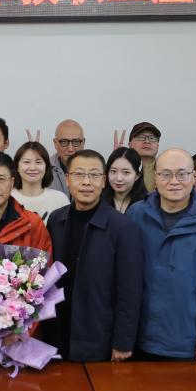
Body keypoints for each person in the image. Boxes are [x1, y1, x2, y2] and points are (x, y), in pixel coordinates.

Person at [125, 149, 196, 361]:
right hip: (138, 338)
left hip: (188, 342)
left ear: (193, 177)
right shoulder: (136, 214)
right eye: (166, 174)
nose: (174, 181)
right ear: (155, 177)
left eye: (182, 174)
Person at [45, 149, 144, 362]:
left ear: (104, 181)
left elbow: (130, 291)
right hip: (58, 331)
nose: (86, 182)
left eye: (94, 175)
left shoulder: (123, 227)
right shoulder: (56, 219)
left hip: (99, 335)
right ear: (68, 179)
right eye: (79, 174)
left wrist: (123, 342)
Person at [11, 141, 69, 222]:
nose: (32, 168)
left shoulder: (60, 199)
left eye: (38, 162)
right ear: (17, 167)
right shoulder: (8, 198)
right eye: (26, 162)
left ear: (46, 167)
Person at [100, 147, 147, 214]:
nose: (119, 178)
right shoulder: (97, 200)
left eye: (126, 172)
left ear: (137, 175)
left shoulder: (147, 205)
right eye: (113, 171)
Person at [50, 119, 85, 195]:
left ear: (83, 143)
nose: (70, 149)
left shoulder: (97, 170)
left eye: (76, 142)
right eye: (64, 142)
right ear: (55, 143)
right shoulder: (42, 170)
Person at [127, 122, 161, 192]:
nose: (147, 141)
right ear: (130, 144)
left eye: (152, 138)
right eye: (141, 137)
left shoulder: (167, 170)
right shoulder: (120, 171)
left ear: (157, 145)